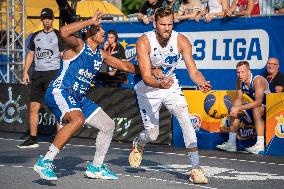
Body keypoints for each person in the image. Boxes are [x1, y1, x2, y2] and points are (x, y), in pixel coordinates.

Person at [33, 11, 140, 181]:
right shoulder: (78, 46)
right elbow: (63, 32)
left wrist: (149, 71)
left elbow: (124, 66)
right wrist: (90, 20)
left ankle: (96, 167)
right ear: (89, 32)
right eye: (99, 30)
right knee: (77, 119)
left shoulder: (100, 54)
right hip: (60, 91)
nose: (103, 33)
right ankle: (45, 162)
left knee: (108, 125)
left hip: (78, 97)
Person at [129, 6, 211, 184]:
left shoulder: (182, 41)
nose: (167, 28)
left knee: (185, 119)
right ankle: (139, 144)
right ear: (155, 24)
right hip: (148, 88)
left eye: (170, 24)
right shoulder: (144, 41)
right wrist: (159, 83)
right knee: (153, 135)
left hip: (170, 85)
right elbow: (146, 76)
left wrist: (201, 82)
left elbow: (194, 71)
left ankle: (195, 169)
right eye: (163, 24)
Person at [18, 8, 64, 148]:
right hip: (37, 74)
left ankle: (60, 139)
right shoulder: (36, 35)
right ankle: (32, 138)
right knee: (33, 107)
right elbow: (30, 54)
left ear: (53, 20)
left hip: (53, 73)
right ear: (42, 20)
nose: (47, 21)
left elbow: (64, 54)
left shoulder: (58, 35)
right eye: (45, 19)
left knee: (56, 106)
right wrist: (25, 72)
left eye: (49, 18)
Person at [216, 61, 271, 154]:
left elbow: (258, 102)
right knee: (235, 111)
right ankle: (231, 144)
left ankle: (260, 145)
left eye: (243, 72)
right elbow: (238, 99)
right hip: (255, 107)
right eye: (238, 72)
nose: (240, 75)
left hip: (269, 108)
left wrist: (238, 108)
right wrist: (234, 109)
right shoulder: (239, 82)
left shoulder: (257, 80)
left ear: (249, 72)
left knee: (256, 109)